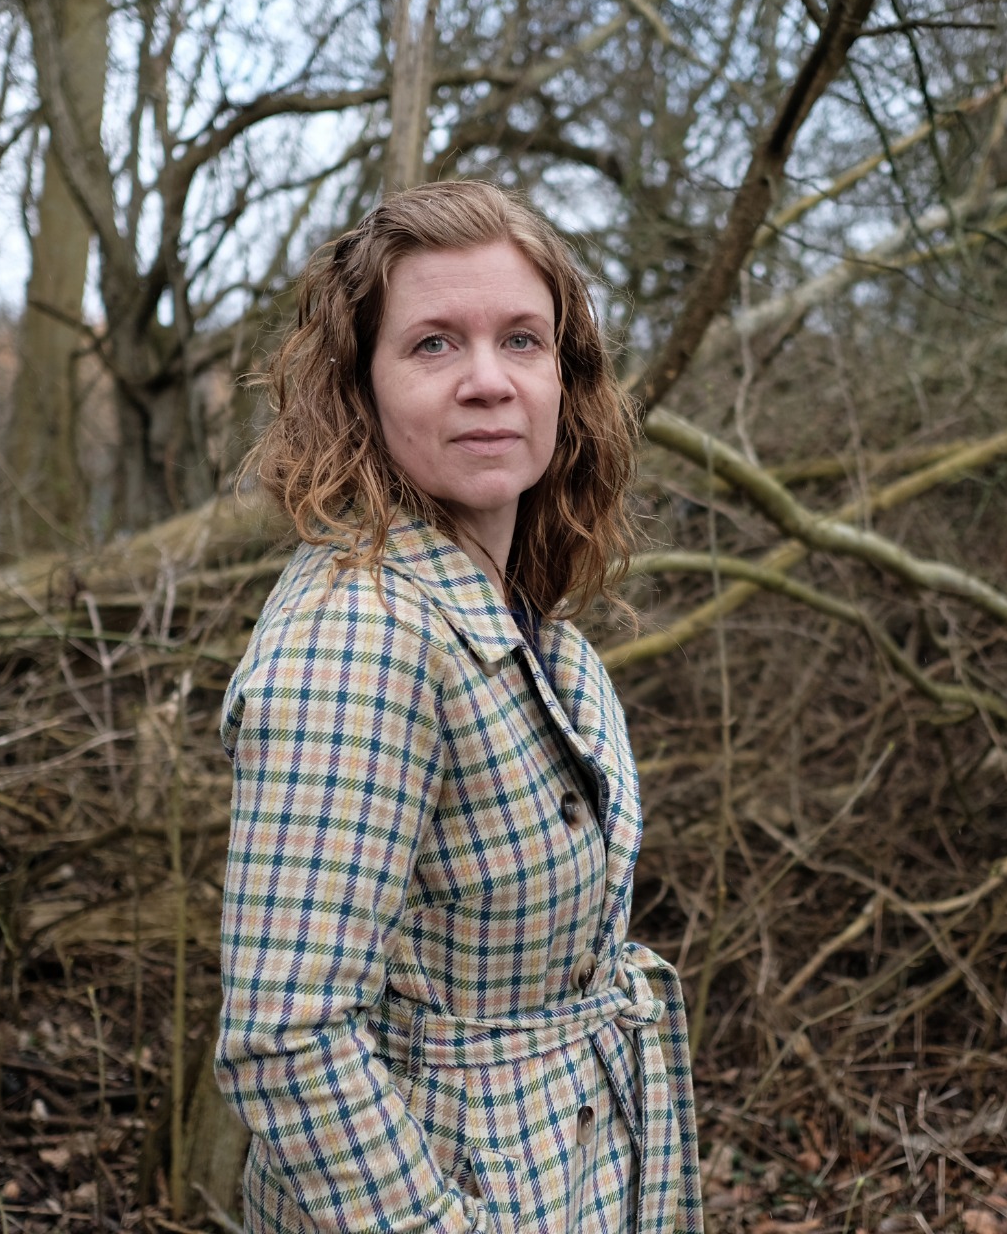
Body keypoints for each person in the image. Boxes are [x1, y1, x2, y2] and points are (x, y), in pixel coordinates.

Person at [215, 180, 702, 1233]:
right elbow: (286, 1039)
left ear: (565, 378)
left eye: (522, 340)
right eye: (434, 344)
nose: (489, 381)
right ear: (361, 388)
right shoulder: (360, 635)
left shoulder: (519, 617)